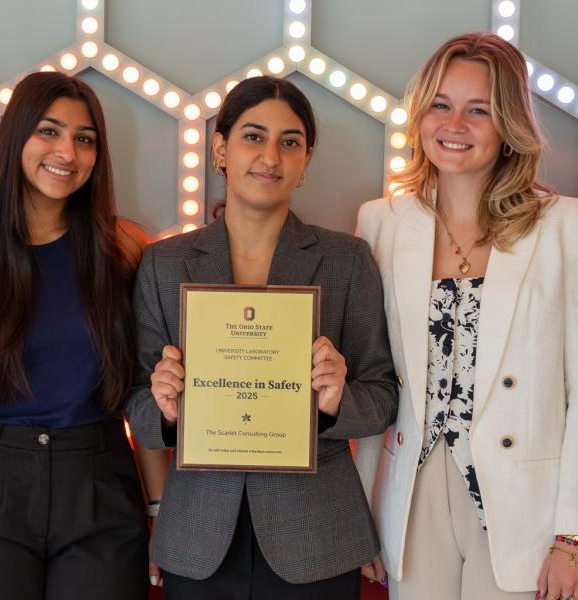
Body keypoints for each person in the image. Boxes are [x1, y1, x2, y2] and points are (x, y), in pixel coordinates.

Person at [354, 33, 578, 600]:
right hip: (411, 493)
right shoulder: (381, 222)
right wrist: (362, 513)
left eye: (479, 110)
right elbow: (374, 378)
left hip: (526, 506)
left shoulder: (567, 226)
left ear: (509, 127)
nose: (455, 125)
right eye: (441, 105)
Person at [125, 75, 398, 599]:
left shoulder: (347, 260)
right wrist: (164, 408)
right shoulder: (164, 263)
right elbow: (135, 401)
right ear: (220, 149)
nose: (270, 156)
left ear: (305, 160)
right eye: (253, 136)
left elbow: (383, 395)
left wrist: (338, 400)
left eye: (289, 142)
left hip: (317, 534)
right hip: (198, 535)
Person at [0, 71, 165, 600]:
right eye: (48, 131)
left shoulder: (126, 248)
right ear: (14, 138)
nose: (67, 152)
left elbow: (145, 394)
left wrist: (160, 508)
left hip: (101, 484)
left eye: (84, 138)